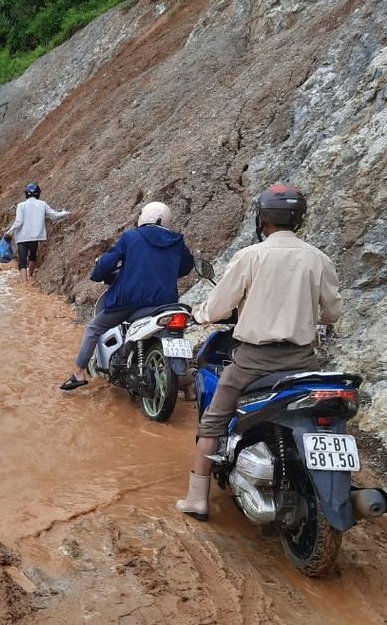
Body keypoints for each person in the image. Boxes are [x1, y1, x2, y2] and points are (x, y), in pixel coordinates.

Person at [176, 183, 342, 520]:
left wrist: (200, 314)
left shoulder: (251, 256)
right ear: (299, 219)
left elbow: (220, 306)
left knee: (213, 423)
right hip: (302, 361)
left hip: (252, 362)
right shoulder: (318, 258)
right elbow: (332, 312)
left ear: (263, 218)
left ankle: (197, 500)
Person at [60, 200, 193, 391]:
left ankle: (79, 373)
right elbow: (186, 267)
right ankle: (188, 389)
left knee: (93, 327)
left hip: (130, 301)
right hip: (165, 304)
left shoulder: (131, 237)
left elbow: (107, 263)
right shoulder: (176, 240)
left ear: (143, 216)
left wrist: (98, 274)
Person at [5, 183, 70, 288]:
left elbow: (18, 222)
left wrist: (9, 232)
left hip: (22, 237)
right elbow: (54, 216)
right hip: (35, 236)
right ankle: (30, 276)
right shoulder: (43, 204)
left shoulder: (21, 205)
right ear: (38, 194)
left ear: (26, 193)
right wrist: (67, 213)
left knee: (22, 261)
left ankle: (24, 284)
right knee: (32, 256)